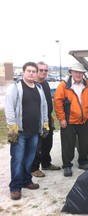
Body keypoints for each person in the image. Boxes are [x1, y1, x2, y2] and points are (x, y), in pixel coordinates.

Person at [5, 62, 49, 200]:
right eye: (28, 71)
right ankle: (15, 187)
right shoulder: (15, 87)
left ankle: (26, 180)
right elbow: (9, 107)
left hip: (34, 131)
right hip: (19, 131)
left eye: (33, 71)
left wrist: (45, 123)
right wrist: (12, 127)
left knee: (29, 158)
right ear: (23, 72)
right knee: (17, 159)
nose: (31, 73)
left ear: (36, 74)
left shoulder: (39, 88)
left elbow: (43, 107)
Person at [54, 62, 88, 177]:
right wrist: (61, 119)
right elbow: (58, 103)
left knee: (84, 143)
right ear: (71, 72)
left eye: (81, 72)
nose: (78, 74)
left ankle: (83, 162)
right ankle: (67, 165)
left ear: (83, 74)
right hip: (69, 121)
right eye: (76, 72)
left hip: (84, 120)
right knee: (68, 144)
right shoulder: (63, 85)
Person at [31, 62, 60, 178]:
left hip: (47, 118)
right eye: (41, 70)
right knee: (37, 145)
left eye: (45, 70)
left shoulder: (46, 84)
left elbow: (48, 103)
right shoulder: (32, 85)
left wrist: (50, 117)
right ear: (36, 71)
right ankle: (34, 168)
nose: (43, 72)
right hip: (36, 120)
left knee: (48, 143)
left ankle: (46, 163)